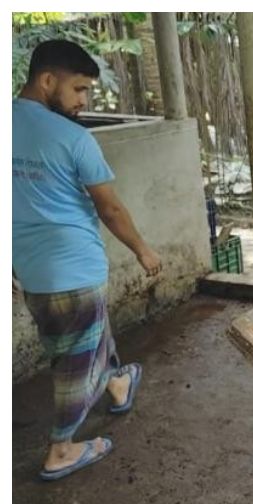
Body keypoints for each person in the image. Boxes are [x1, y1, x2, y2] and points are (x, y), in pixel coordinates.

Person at [13, 40, 162, 481]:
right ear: (47, 80)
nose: (83, 101)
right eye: (78, 89)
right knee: (74, 364)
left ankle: (117, 384)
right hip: (76, 268)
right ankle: (61, 449)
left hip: (34, 272)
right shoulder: (74, 139)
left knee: (86, 339)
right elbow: (109, 209)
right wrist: (142, 249)